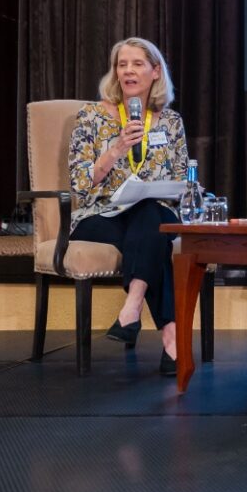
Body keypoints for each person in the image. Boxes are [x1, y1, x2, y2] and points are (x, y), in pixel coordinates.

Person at [67, 36, 189, 377]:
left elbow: (181, 178)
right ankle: (171, 336)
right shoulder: (91, 116)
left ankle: (132, 309)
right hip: (100, 214)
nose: (128, 71)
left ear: (154, 72)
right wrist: (115, 150)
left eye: (137, 64)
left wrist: (181, 189)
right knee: (156, 234)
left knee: (150, 214)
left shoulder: (171, 121)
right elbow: (79, 184)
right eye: (122, 64)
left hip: (155, 211)